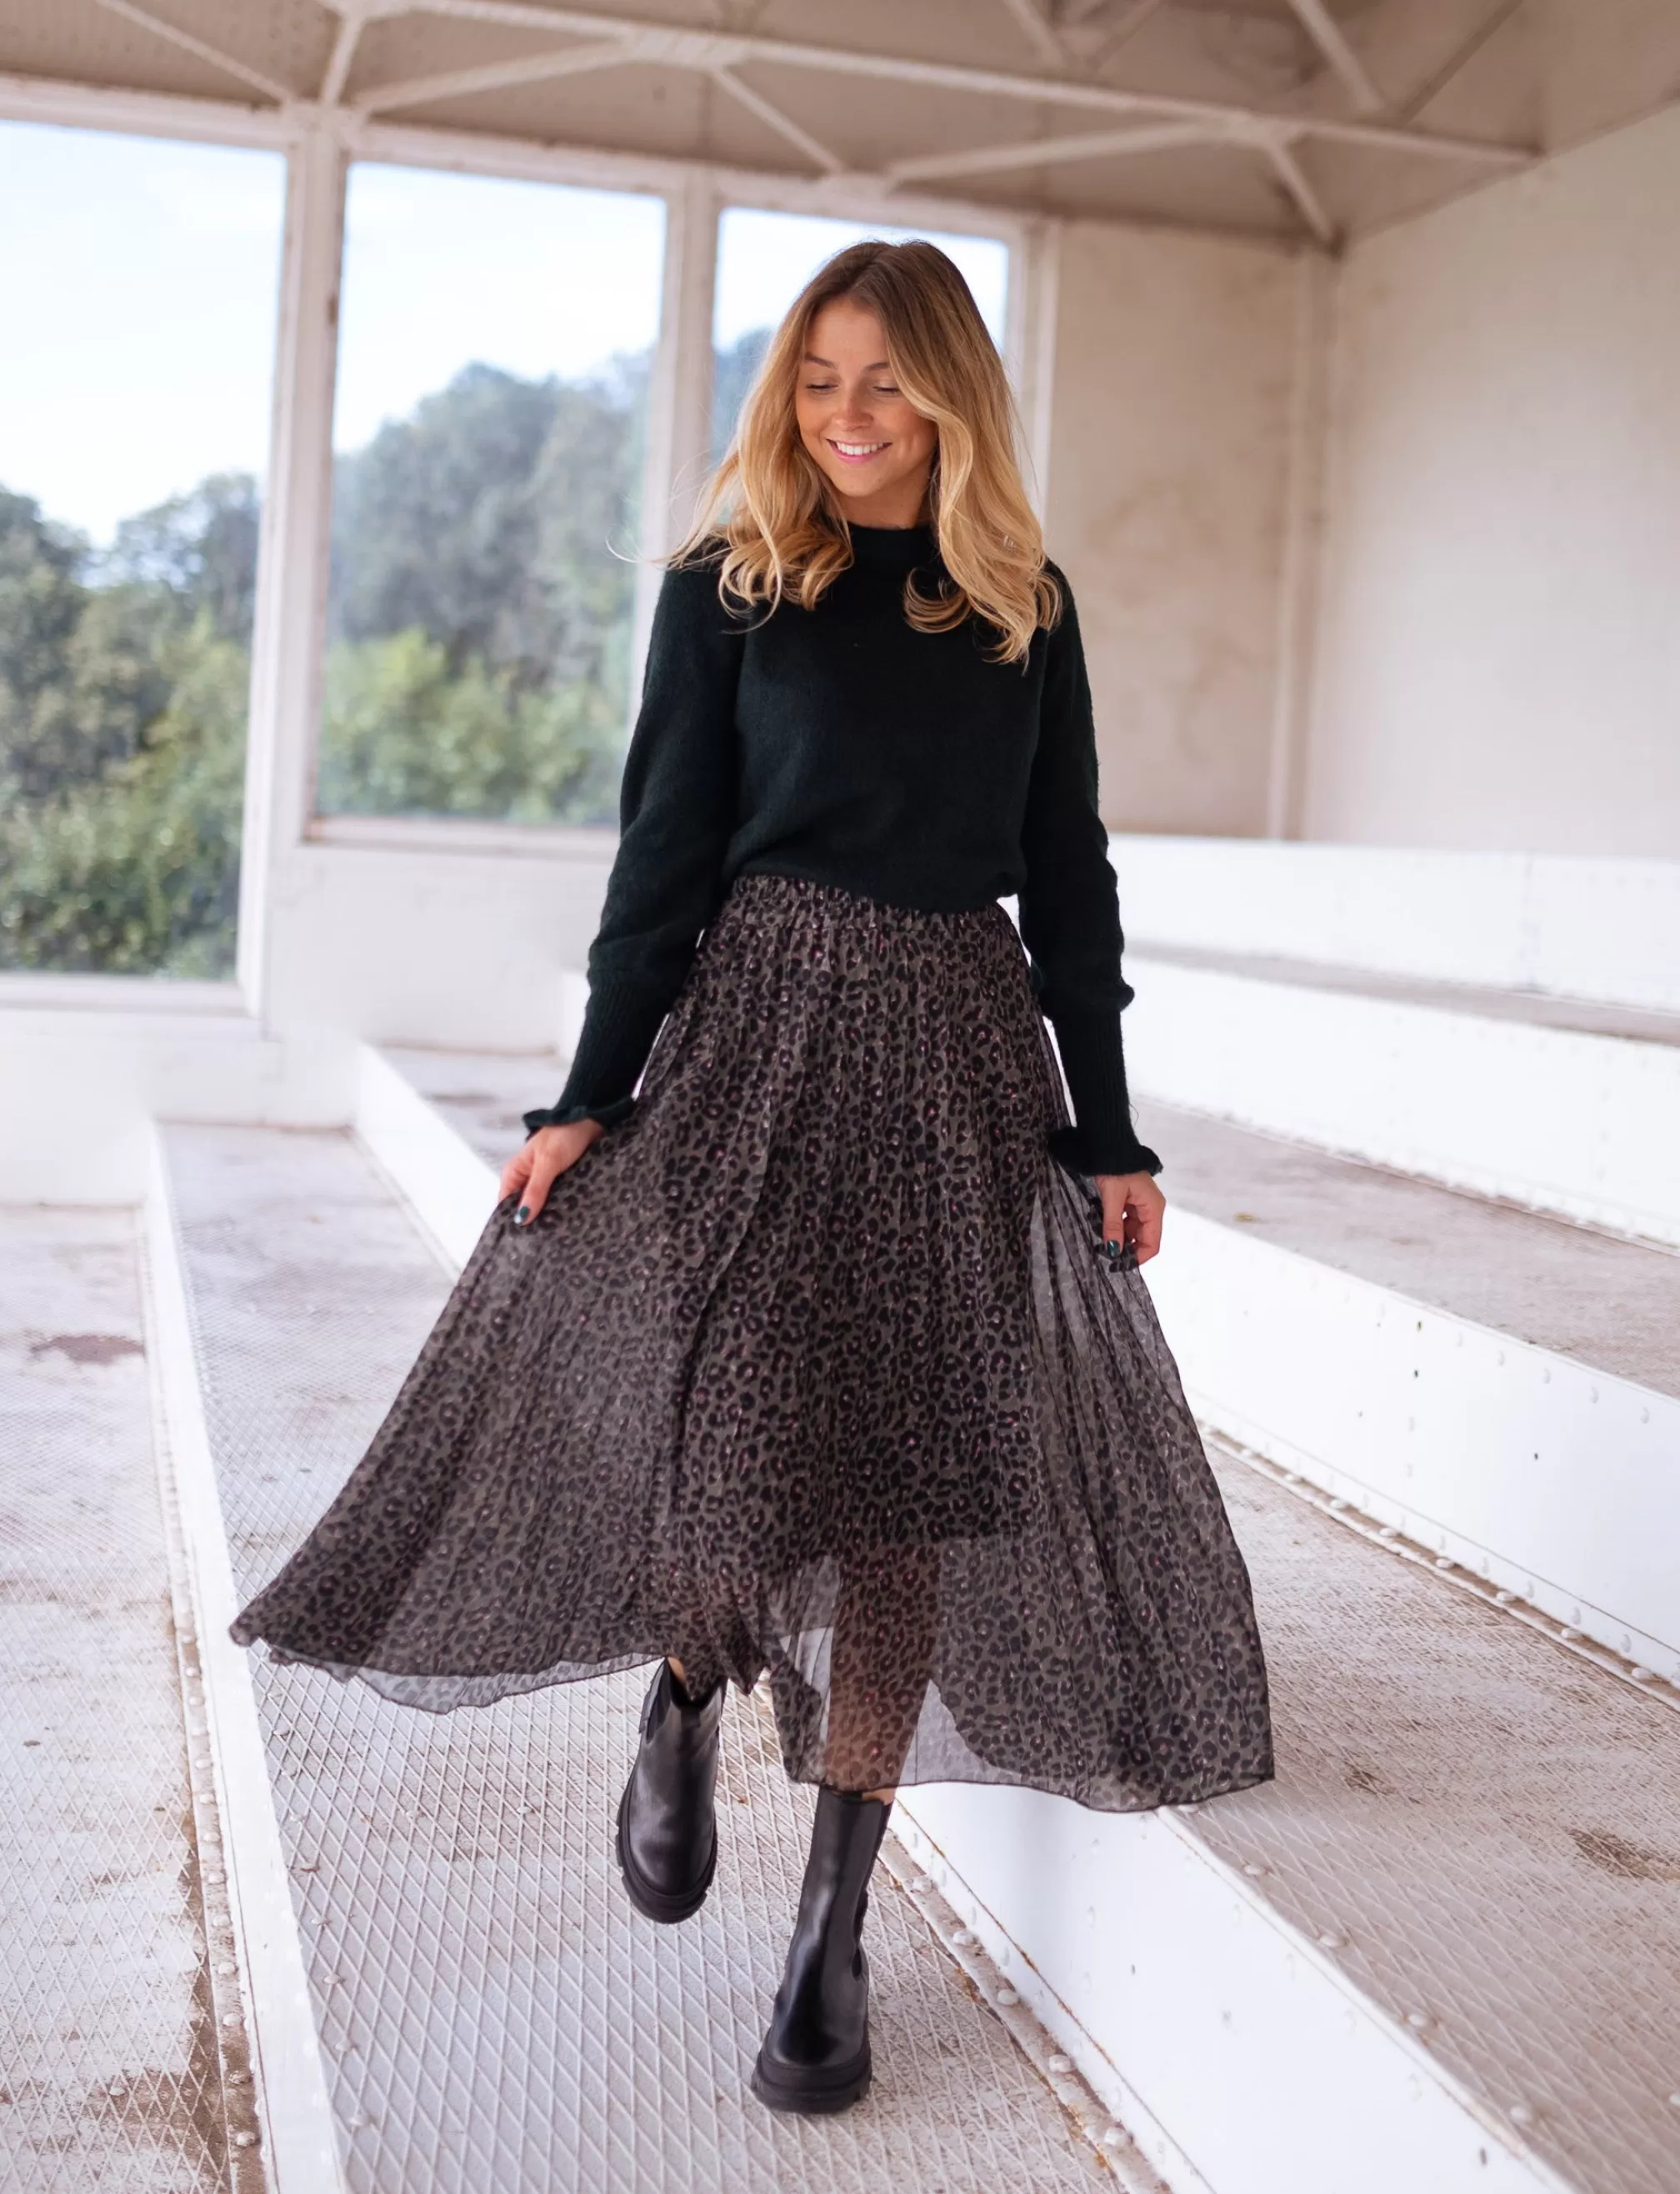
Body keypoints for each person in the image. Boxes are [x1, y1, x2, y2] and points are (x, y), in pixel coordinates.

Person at [230, 238, 1272, 2117]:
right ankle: (689, 1689)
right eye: (818, 377)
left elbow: (1072, 873)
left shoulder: (1023, 605)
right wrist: (588, 1093)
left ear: (952, 394)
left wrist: (1108, 1127)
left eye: (887, 380)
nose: (849, 414)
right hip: (763, 1039)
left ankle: (829, 1934)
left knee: (908, 1500)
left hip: (961, 1066)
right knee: (743, 1453)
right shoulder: (730, 591)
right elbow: (663, 856)